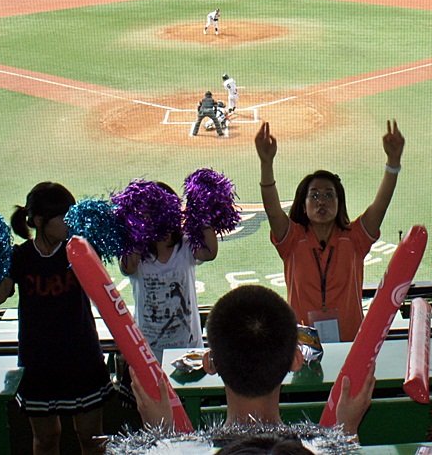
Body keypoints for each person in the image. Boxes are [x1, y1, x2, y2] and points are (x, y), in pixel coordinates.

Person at [129, 286, 375, 443]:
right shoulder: (321, 448)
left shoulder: (189, 450)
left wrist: (159, 435)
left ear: (210, 363)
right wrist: (347, 432)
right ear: (296, 360)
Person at [0, 182, 113, 455]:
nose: (71, 221)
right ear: (38, 221)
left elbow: (104, 287)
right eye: (63, 216)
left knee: (92, 439)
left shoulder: (79, 250)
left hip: (82, 357)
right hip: (39, 362)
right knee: (46, 440)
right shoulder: (20, 256)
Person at [254, 120, 404, 342]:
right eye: (313, 195)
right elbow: (273, 210)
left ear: (339, 202)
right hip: (302, 346)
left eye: (328, 195)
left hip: (350, 344)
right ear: (303, 205)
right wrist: (266, 165)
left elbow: (380, 205)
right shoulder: (292, 240)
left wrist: (393, 163)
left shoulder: (355, 239)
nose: (321, 201)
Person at [119, 181, 218, 367]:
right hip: (148, 354)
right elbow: (127, 267)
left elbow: (209, 252)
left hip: (189, 350)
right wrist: (139, 232)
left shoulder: (186, 247)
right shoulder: (137, 256)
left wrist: (204, 214)